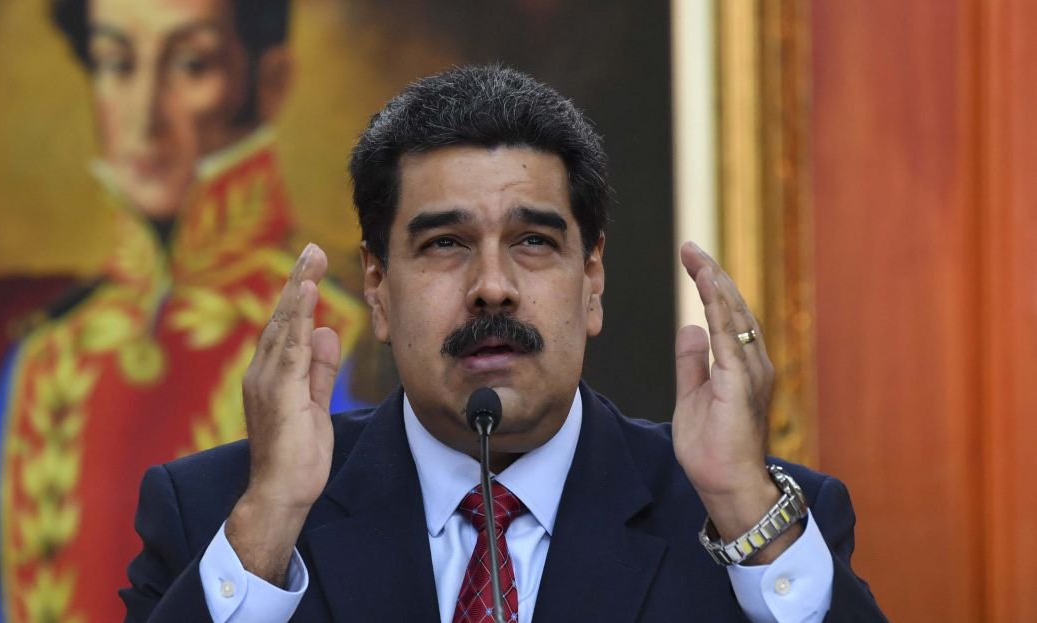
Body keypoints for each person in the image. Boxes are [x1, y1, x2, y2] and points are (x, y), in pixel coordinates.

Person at [120, 65, 886, 622]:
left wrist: (744, 508)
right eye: (447, 243)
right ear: (378, 289)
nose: (492, 285)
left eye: (533, 242)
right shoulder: (219, 515)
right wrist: (270, 521)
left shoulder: (755, 518)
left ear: (592, 281)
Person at [0, 1, 375, 620]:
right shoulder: (33, 353)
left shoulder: (347, 339)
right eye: (116, 63)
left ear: (267, 83)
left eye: (191, 65)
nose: (144, 115)